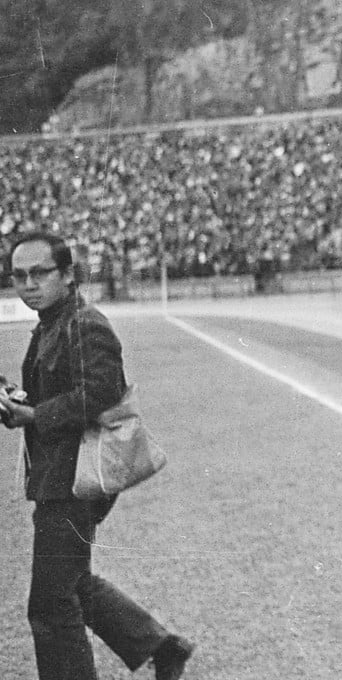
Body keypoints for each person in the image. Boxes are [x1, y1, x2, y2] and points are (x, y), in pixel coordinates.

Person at [0, 232, 194, 680]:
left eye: (40, 273)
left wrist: (33, 415)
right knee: (71, 584)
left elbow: (101, 393)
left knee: (50, 603)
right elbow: (63, 389)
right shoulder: (52, 321)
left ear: (67, 275)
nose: (28, 284)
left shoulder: (82, 323)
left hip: (78, 478)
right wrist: (19, 401)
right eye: (19, 275)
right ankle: (162, 647)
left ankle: (160, 647)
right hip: (60, 475)